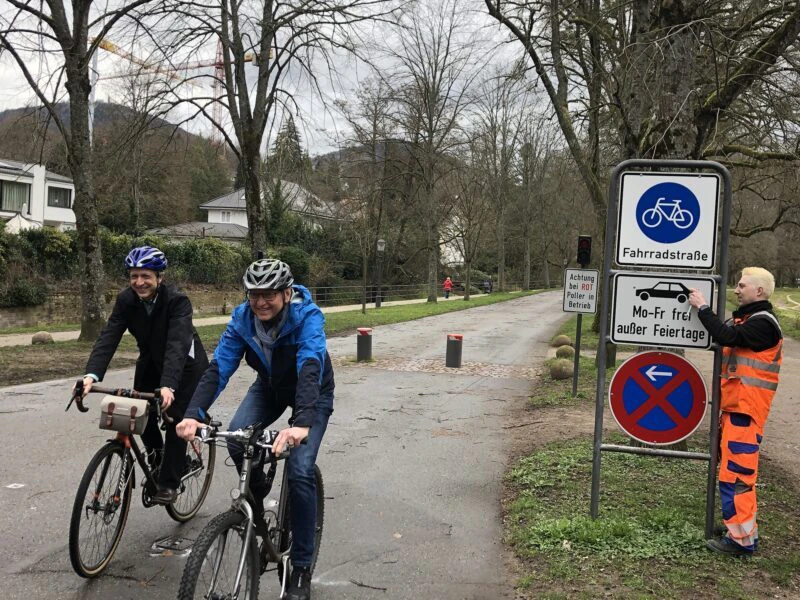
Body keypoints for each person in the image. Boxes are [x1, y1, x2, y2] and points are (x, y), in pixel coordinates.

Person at [176, 258, 334, 600]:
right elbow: (219, 367)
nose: (260, 302)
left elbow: (310, 366)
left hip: (313, 393)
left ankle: (301, 568)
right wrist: (193, 414)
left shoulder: (308, 316)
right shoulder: (242, 319)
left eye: (269, 295)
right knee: (237, 437)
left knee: (300, 470)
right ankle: (257, 497)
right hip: (270, 387)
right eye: (253, 295)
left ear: (287, 293)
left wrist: (301, 424)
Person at [75, 246, 209, 505]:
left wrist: (168, 385)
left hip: (185, 365)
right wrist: (91, 376)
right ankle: (159, 460)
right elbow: (109, 336)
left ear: (160, 277)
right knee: (138, 413)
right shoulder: (126, 300)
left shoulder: (177, 301)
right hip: (151, 361)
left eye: (146, 276)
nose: (139, 282)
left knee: (176, 419)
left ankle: (169, 482)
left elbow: (177, 345)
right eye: (134, 276)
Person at [688, 267, 782, 557]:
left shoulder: (764, 324)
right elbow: (726, 334)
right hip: (735, 410)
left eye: (742, 286)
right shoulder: (748, 320)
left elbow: (727, 335)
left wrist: (703, 308)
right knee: (732, 473)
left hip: (746, 413)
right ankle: (739, 529)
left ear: (759, 291)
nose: (737, 290)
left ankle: (742, 541)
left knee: (737, 476)